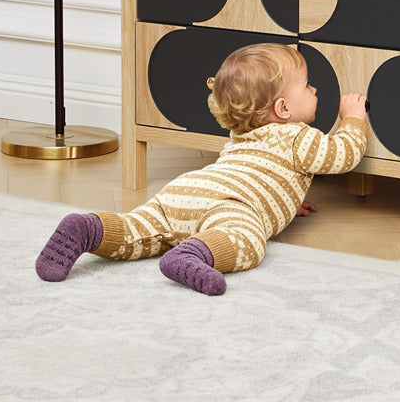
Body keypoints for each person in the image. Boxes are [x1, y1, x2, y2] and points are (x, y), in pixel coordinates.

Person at [34, 43, 369, 296]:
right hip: (231, 205)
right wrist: (352, 117)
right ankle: (195, 254)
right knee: (247, 240)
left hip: (187, 191)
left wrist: (284, 203)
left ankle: (89, 228)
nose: (314, 90)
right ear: (283, 109)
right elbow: (342, 154)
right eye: (307, 85)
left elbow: (260, 175)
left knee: (141, 230)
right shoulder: (298, 136)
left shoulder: (241, 136)